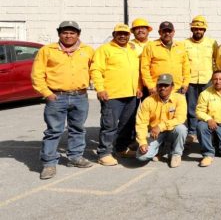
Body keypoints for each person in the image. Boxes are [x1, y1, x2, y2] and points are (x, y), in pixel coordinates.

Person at [33, 21, 95, 179]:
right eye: (65, 32)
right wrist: (47, 93)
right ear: (59, 34)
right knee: (53, 131)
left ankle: (75, 157)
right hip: (56, 96)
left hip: (80, 96)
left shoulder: (87, 51)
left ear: (78, 34)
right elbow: (37, 74)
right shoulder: (47, 50)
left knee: (78, 129)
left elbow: (95, 70)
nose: (68, 35)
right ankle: (49, 163)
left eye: (72, 33)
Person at [91, 23, 143, 166]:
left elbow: (136, 71)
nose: (122, 36)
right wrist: (100, 89)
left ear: (129, 36)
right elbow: (96, 70)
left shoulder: (131, 50)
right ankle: (104, 153)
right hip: (112, 95)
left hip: (131, 95)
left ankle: (121, 148)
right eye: (119, 33)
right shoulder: (104, 50)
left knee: (127, 124)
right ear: (114, 35)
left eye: (125, 34)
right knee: (109, 125)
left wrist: (138, 87)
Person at [134, 74, 187, 168]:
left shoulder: (180, 98)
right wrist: (142, 142)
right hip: (155, 134)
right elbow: (141, 123)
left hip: (172, 131)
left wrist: (160, 126)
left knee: (181, 129)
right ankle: (161, 150)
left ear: (172, 87)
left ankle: (176, 154)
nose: (162, 88)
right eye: (160, 85)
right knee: (141, 157)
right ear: (156, 86)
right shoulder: (148, 101)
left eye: (166, 85)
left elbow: (180, 118)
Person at [183, 15, 218, 143]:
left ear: (204, 30)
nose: (198, 31)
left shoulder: (212, 43)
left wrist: (217, 79)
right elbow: (183, 63)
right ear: (192, 30)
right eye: (195, 29)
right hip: (191, 81)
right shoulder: (185, 44)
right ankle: (192, 132)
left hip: (207, 80)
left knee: (208, 106)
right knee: (191, 107)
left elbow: (217, 61)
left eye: (201, 29)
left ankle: (207, 129)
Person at [140, 21, 190, 96]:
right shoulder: (150, 46)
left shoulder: (180, 46)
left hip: (177, 89)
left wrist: (185, 83)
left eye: (169, 31)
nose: (167, 33)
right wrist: (150, 86)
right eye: (164, 31)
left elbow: (186, 67)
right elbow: (144, 68)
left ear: (173, 32)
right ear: (159, 32)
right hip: (158, 89)